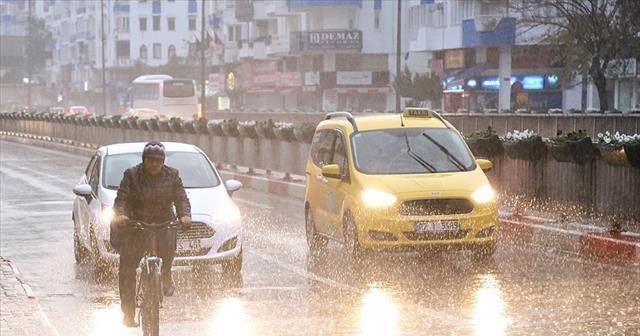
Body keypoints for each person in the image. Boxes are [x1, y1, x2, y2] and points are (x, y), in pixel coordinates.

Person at [111, 141, 192, 327]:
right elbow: (121, 199)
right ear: (144, 160)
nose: (154, 164)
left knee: (168, 245)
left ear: (163, 162)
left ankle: (165, 273)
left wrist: (185, 215)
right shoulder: (131, 175)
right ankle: (128, 313)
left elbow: (181, 198)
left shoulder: (173, 175)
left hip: (164, 222)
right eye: (150, 160)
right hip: (137, 224)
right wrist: (121, 215)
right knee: (127, 269)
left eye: (158, 161)